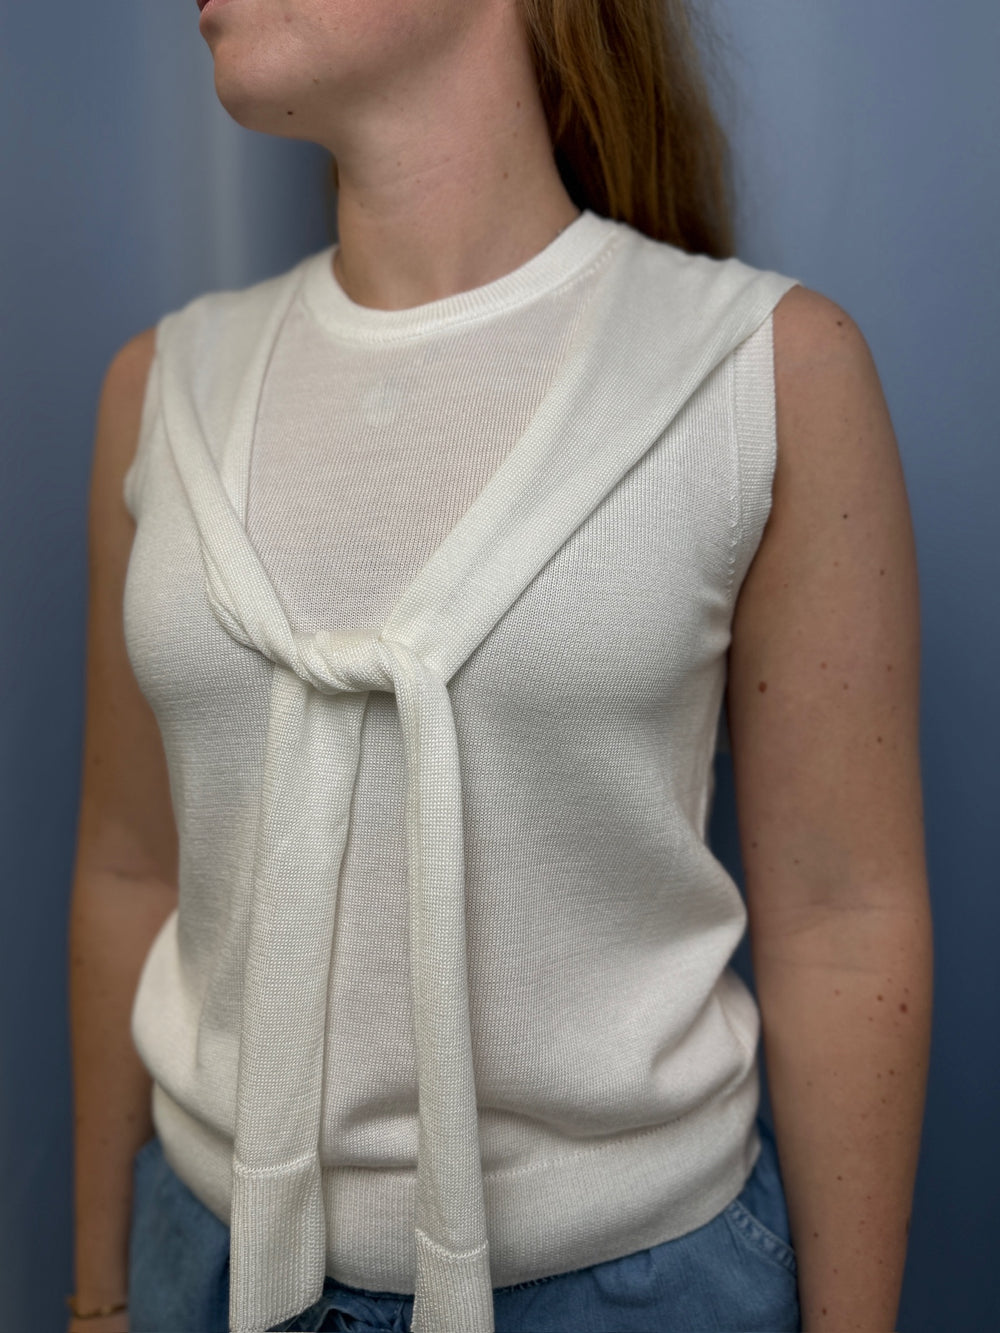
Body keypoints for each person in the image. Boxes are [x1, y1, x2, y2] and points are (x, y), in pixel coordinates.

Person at [67, 1, 933, 1331]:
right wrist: (99, 1295)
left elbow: (841, 911)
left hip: (634, 1284)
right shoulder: (161, 390)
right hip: (209, 1262)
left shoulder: (767, 372)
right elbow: (131, 864)